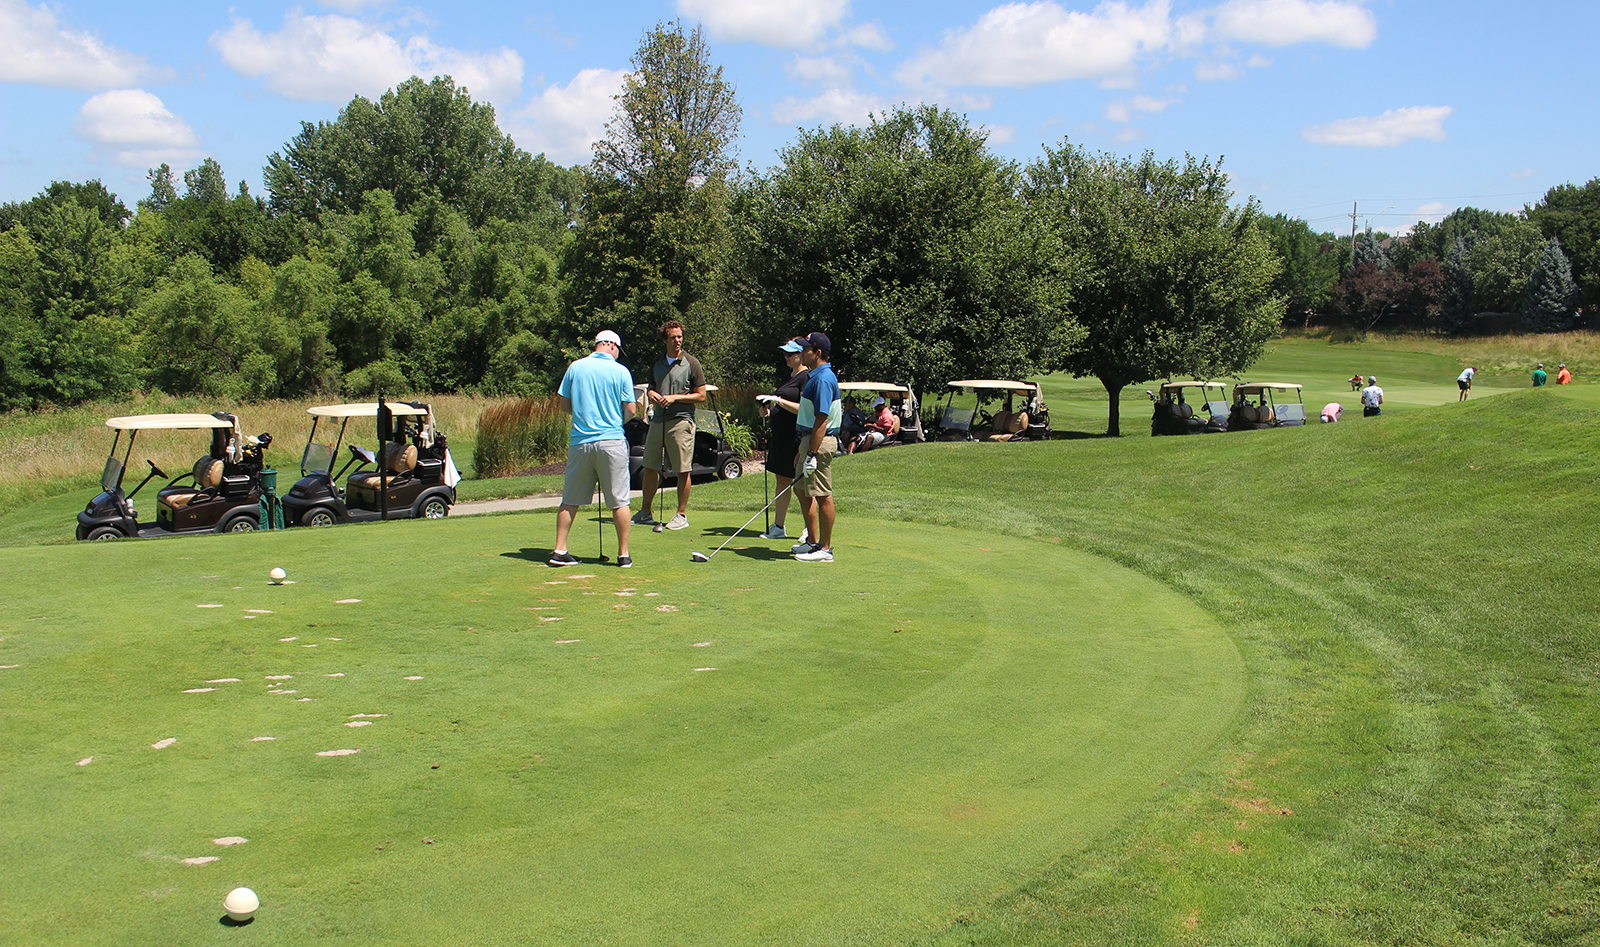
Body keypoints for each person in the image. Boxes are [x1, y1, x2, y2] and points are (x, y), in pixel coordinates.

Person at [550, 330, 636, 567]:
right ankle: (623, 555)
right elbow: (630, 410)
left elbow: (565, 405)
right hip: (611, 441)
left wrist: (584, 416)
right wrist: (615, 421)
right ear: (611, 345)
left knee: (570, 499)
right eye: (618, 350)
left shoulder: (575, 367)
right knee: (619, 500)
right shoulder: (621, 371)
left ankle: (559, 550)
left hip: (580, 442)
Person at [633, 320, 706, 530]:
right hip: (658, 421)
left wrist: (675, 398)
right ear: (665, 340)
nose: (677, 340)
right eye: (673, 337)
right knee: (649, 467)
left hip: (681, 421)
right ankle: (646, 512)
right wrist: (652, 393)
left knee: (683, 470)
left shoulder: (691, 362)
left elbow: (701, 396)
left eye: (680, 336)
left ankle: (681, 514)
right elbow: (652, 388)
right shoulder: (657, 362)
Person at [791, 332, 840, 563]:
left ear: (817, 353)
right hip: (810, 441)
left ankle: (825, 549)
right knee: (800, 489)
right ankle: (812, 542)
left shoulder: (822, 378)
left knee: (822, 495)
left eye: (805, 349)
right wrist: (803, 452)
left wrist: (811, 453)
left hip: (819, 441)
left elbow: (822, 419)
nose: (801, 353)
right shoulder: (814, 376)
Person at [755, 338, 809, 540]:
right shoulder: (788, 377)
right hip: (780, 438)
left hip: (796, 438)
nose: (786, 357)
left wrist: (779, 400)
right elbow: (783, 407)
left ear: (801, 355)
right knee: (782, 481)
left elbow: (803, 409)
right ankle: (779, 526)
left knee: (801, 485)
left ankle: (809, 529)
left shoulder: (806, 377)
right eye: (785, 354)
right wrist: (768, 411)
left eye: (790, 354)